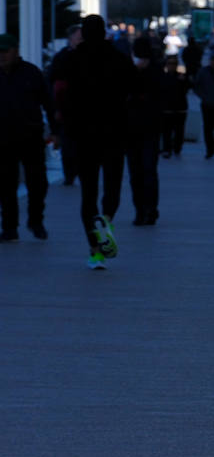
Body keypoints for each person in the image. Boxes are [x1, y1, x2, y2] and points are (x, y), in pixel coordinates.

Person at [49, 14, 137, 269]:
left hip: (82, 135)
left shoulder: (70, 59)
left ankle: (95, 250)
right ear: (105, 33)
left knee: (88, 193)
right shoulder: (118, 58)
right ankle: (106, 219)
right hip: (113, 133)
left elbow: (55, 82)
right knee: (113, 187)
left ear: (84, 34)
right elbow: (134, 86)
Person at [0, 32, 56, 241]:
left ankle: (36, 221)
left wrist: (55, 131)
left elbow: (48, 103)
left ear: (15, 51)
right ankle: (9, 227)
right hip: (3, 139)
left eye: (5, 52)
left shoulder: (31, 74)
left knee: (38, 183)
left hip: (30, 137)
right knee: (6, 184)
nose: (2, 56)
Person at [126, 37, 164, 225]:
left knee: (143, 172)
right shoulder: (133, 73)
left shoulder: (154, 73)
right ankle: (144, 209)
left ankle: (146, 210)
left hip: (143, 129)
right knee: (142, 172)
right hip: (141, 129)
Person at [48, 24, 83, 185]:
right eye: (78, 37)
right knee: (68, 144)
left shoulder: (88, 56)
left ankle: (79, 171)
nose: (81, 40)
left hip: (82, 109)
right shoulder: (61, 57)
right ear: (71, 39)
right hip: (66, 108)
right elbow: (53, 82)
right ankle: (70, 173)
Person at [159, 56, 191, 158]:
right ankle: (166, 149)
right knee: (166, 131)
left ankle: (177, 148)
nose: (172, 66)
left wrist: (184, 81)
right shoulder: (162, 77)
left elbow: (188, 88)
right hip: (166, 109)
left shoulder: (182, 77)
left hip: (180, 109)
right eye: (170, 63)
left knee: (179, 131)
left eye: (174, 64)